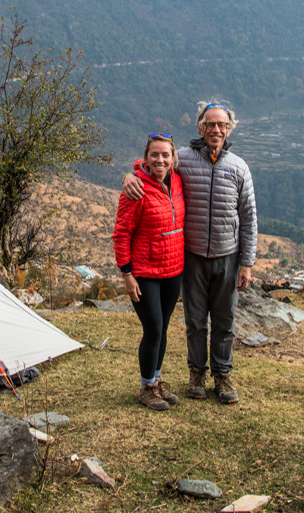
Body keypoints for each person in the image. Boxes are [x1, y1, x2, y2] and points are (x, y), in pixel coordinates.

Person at [123, 101, 256, 404]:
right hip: (192, 257)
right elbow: (153, 161)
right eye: (210, 124)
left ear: (229, 128)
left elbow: (248, 217)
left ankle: (222, 377)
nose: (215, 129)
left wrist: (247, 262)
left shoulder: (239, 167)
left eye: (221, 124)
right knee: (195, 321)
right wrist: (128, 176)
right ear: (200, 127)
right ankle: (196, 373)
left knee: (225, 320)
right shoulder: (183, 159)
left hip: (228, 256)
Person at [111, 133, 186, 410]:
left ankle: (157, 379)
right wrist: (127, 274)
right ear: (145, 157)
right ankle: (146, 387)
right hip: (144, 272)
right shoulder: (135, 189)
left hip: (173, 269)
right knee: (153, 328)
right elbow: (121, 234)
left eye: (165, 155)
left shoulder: (177, 180)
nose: (160, 160)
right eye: (154, 155)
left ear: (173, 158)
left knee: (163, 328)